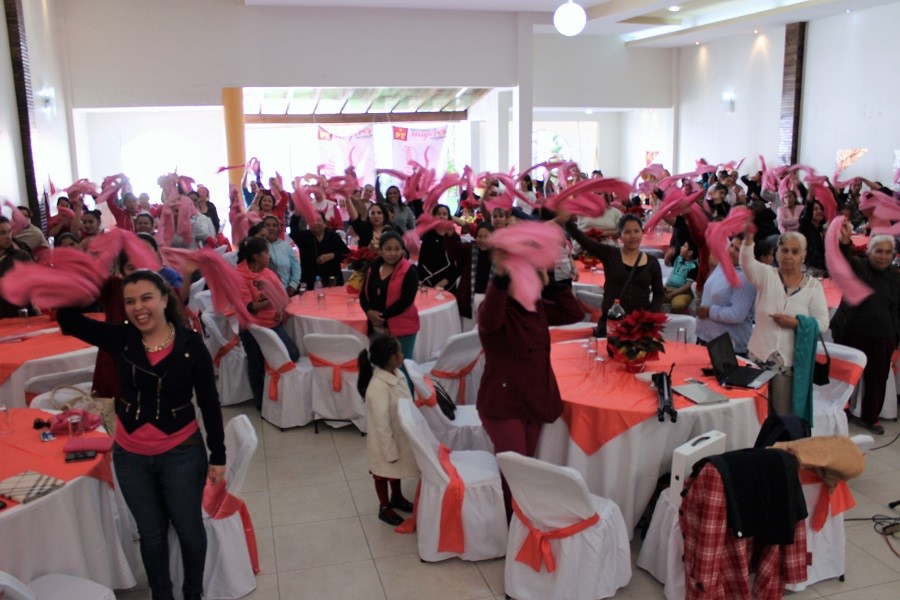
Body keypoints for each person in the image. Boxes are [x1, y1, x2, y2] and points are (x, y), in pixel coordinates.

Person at [57, 270, 225, 600]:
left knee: (190, 531)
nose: (138, 307)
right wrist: (85, 279)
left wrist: (218, 455)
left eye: (146, 297)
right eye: (130, 301)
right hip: (130, 456)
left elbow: (209, 402)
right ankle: (161, 595)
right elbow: (69, 319)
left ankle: (193, 593)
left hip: (181, 452)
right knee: (151, 534)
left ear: (165, 299)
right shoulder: (121, 338)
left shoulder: (191, 345)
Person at [476, 248, 583, 515]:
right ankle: (515, 524)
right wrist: (500, 280)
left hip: (534, 396)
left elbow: (573, 314)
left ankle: (521, 522)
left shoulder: (536, 307)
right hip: (504, 403)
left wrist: (552, 284)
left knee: (526, 464)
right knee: (517, 470)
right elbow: (489, 320)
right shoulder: (495, 310)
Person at [740, 227, 829, 415]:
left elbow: (822, 323)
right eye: (785, 250)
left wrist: (795, 324)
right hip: (758, 355)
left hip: (787, 361)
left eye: (795, 252)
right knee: (754, 413)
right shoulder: (766, 276)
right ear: (777, 253)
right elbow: (746, 262)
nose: (789, 256)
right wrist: (748, 239)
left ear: (803, 256)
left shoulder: (813, 287)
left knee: (781, 415)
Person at [829, 226, 900, 435]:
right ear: (870, 251)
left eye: (888, 252)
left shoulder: (895, 276)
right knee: (844, 376)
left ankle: (871, 417)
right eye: (879, 251)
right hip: (852, 331)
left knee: (877, 379)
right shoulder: (859, 267)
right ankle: (841, 410)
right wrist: (843, 243)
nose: (883, 256)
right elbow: (843, 260)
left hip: (883, 335)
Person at [565, 213, 664, 335]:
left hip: (639, 328)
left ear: (642, 233)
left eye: (636, 231)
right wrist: (567, 222)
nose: (632, 236)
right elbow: (584, 241)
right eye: (627, 232)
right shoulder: (610, 254)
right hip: (612, 325)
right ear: (620, 235)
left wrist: (649, 315)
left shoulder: (652, 262)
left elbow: (659, 293)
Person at [356, 334, 418, 526]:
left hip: (398, 434)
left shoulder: (397, 375)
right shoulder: (377, 388)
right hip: (385, 441)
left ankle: (397, 497)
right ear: (391, 358)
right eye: (399, 352)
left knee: (395, 471)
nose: (402, 354)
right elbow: (382, 425)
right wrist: (389, 450)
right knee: (382, 472)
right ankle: (384, 506)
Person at [235, 237, 300, 409]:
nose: (269, 257)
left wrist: (279, 308)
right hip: (252, 328)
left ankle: (278, 392)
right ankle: (260, 402)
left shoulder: (269, 273)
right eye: (266, 253)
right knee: (255, 364)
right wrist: (271, 299)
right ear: (256, 256)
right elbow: (249, 307)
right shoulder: (239, 276)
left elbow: (282, 298)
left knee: (292, 354)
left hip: (272, 324)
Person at [359, 231, 419, 359]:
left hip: (402, 328)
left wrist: (381, 317)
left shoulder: (409, 270)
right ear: (380, 251)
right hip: (375, 328)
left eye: (397, 249)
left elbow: (406, 301)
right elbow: (363, 295)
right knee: (378, 366)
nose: (393, 253)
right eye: (388, 249)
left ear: (402, 251)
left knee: (402, 368)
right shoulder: (373, 268)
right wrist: (369, 312)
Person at [696, 237, 755, 355]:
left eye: (737, 249)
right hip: (706, 338)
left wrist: (709, 311)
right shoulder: (722, 265)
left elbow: (736, 315)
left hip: (728, 348)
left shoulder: (745, 278)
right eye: (732, 245)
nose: (732, 251)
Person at [290, 211, 349, 290]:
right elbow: (293, 229)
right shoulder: (303, 237)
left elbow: (347, 254)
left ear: (324, 223)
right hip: (310, 283)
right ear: (308, 224)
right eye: (312, 220)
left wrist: (332, 255)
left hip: (333, 282)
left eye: (319, 220)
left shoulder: (333, 237)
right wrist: (297, 211)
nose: (316, 223)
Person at [447, 222, 493, 321]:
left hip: (491, 300)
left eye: (487, 237)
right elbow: (454, 249)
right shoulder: (469, 249)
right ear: (475, 237)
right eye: (480, 236)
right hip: (469, 299)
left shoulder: (498, 254)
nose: (483, 240)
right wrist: (450, 235)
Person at [416, 204, 460, 291]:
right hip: (428, 280)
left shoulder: (454, 237)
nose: (441, 216)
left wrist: (445, 281)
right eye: (438, 214)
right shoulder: (428, 236)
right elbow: (422, 261)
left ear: (448, 217)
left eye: (444, 214)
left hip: (449, 281)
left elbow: (458, 264)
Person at [0, 216, 35, 317]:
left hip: (20, 313)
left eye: (9, 232)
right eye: (2, 233)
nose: (8, 236)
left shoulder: (21, 256)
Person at [262, 215, 300, 296]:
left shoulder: (286, 247)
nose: (271, 228)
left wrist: (292, 286)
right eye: (267, 225)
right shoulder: (258, 246)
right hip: (264, 294)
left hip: (286, 292)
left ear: (279, 229)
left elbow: (296, 269)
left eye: (274, 225)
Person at [664, 240, 699, 314]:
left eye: (684, 246)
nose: (681, 247)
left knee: (678, 305)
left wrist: (672, 294)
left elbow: (688, 286)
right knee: (654, 296)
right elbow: (668, 264)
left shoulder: (693, 266)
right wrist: (668, 257)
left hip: (682, 292)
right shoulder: (679, 258)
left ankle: (674, 321)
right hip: (668, 288)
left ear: (690, 252)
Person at [798, 199, 827, 277]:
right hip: (812, 268)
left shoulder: (822, 230)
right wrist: (810, 199)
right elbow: (805, 219)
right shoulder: (805, 229)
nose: (819, 211)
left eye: (820, 209)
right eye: (815, 209)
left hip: (822, 266)